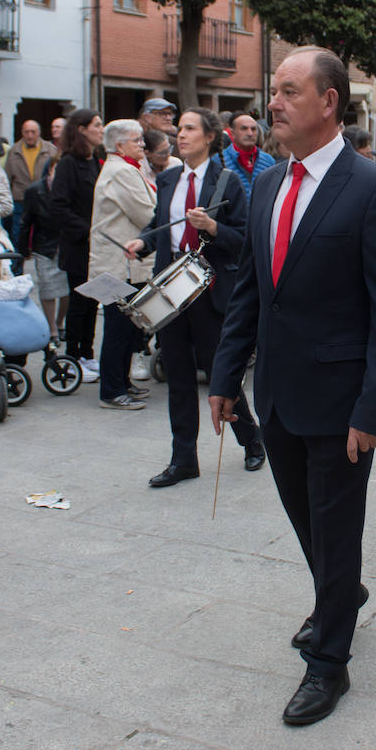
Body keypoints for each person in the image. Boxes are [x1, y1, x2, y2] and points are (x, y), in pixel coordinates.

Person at [207, 47, 376, 726]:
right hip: (278, 395)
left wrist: (374, 407)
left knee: (335, 525)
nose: (273, 103)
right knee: (307, 522)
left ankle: (329, 663)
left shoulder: (374, 188)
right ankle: (341, 594)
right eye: (274, 91)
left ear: (329, 102)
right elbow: (253, 290)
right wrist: (226, 374)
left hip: (341, 401)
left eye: (289, 92)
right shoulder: (266, 183)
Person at [127, 108, 263, 481]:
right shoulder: (168, 177)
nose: (181, 135)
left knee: (223, 375)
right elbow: (160, 226)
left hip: (210, 293)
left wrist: (214, 227)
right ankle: (183, 459)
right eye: (180, 129)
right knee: (179, 377)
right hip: (170, 294)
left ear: (208, 137)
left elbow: (243, 243)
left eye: (189, 129)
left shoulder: (227, 182)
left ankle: (251, 439)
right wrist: (142, 241)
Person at [90, 118, 156, 411]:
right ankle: (111, 390)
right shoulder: (122, 172)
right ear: (120, 145)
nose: (143, 144)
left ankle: (122, 381)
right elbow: (148, 214)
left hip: (122, 263)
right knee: (118, 328)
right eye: (137, 140)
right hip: (118, 265)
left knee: (128, 327)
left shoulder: (126, 168)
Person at [49, 109, 104, 380]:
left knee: (93, 301)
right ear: (81, 129)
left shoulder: (95, 161)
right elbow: (58, 206)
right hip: (78, 245)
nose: (101, 129)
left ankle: (87, 353)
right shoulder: (69, 163)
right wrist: (87, 231)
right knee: (79, 302)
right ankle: (73, 356)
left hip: (96, 247)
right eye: (96, 125)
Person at [18, 156, 68, 345]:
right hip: (44, 245)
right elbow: (26, 221)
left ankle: (60, 322)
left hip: (66, 244)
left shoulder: (70, 189)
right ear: (50, 170)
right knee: (47, 288)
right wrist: (22, 251)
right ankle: (52, 329)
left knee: (67, 290)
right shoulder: (35, 190)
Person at [2, 120, 56, 242]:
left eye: (33, 132)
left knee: (43, 231)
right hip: (20, 198)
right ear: (22, 133)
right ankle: (19, 258)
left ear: (39, 133)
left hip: (43, 197)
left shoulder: (51, 150)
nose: (30, 135)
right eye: (26, 132)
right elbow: (7, 177)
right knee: (18, 232)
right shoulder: (14, 150)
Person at [219, 113, 275, 200]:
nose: (250, 133)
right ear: (233, 133)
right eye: (244, 129)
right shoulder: (218, 160)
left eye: (253, 129)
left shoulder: (269, 161)